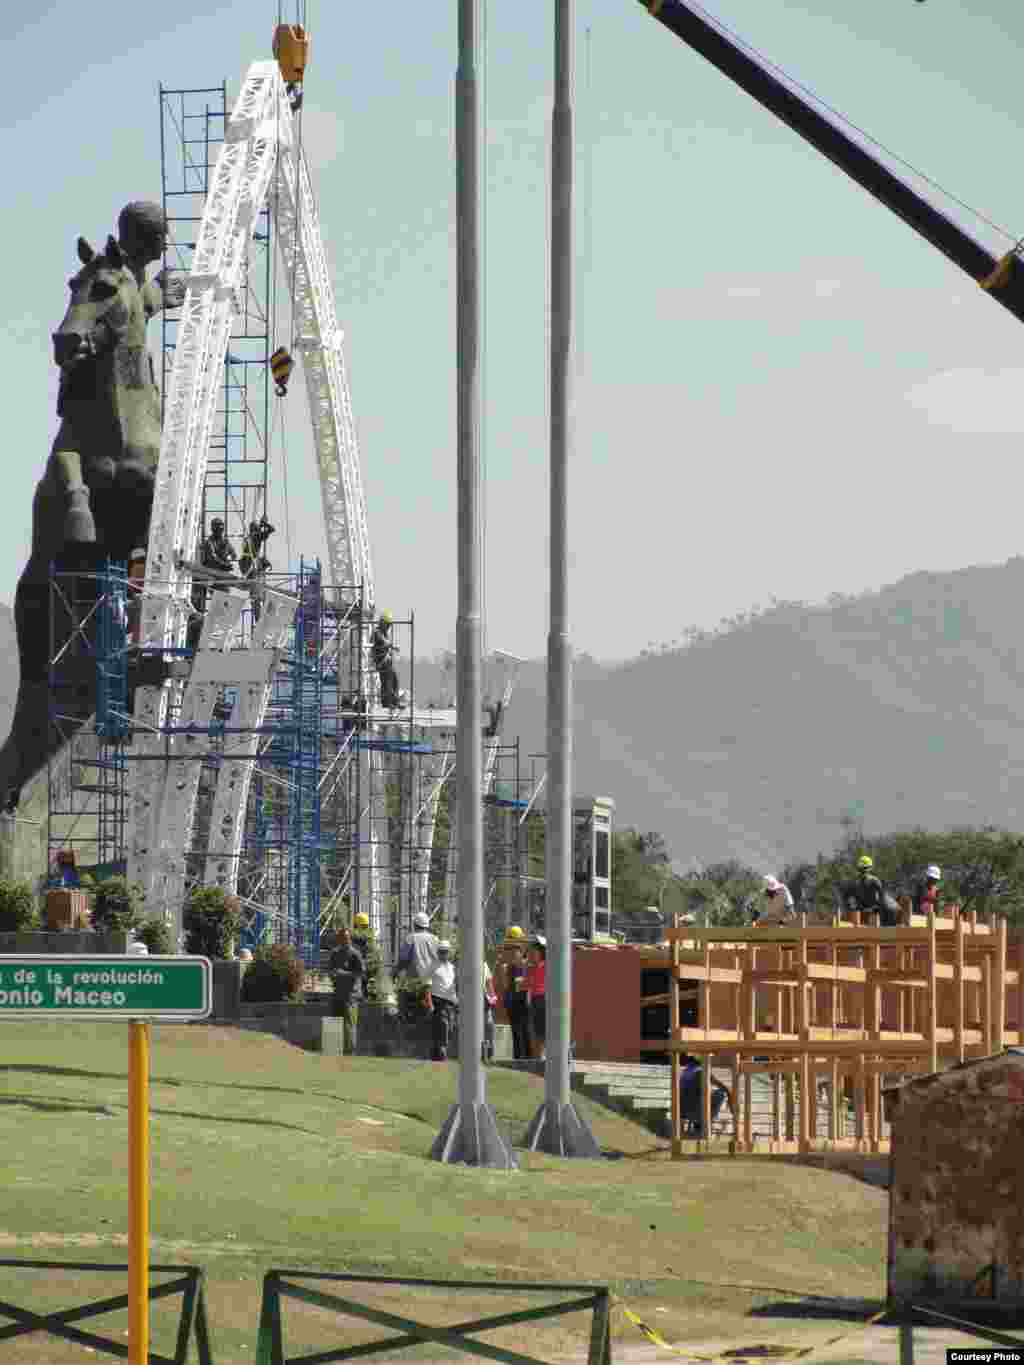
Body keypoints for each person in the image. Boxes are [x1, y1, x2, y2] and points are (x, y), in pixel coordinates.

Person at [496, 926, 531, 1060]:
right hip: (513, 997)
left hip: (521, 996)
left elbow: (524, 967)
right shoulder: (510, 961)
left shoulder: (524, 958)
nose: (512, 949)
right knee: (518, 1029)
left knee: (523, 1028)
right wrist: (501, 965)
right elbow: (505, 983)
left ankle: (525, 1058)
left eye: (515, 946)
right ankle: (520, 1058)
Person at [329, 927, 364, 1055]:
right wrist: (333, 975)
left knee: (349, 1025)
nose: (343, 940)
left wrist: (343, 974)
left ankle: (350, 1053)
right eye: (341, 938)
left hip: (351, 995)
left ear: (349, 939)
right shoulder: (334, 953)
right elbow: (331, 970)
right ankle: (334, 1051)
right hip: (338, 994)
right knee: (335, 1023)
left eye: (345, 938)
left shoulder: (355, 954)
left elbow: (360, 973)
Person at [678, 1055, 729, 1138]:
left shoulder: (685, 1071)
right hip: (696, 1111)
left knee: (702, 1094)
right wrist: (730, 1098)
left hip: (683, 1112)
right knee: (720, 1094)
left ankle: (698, 1123)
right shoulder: (701, 1071)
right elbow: (723, 1087)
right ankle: (706, 1122)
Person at [842, 854, 899, 927]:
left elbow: (882, 898)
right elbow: (847, 898)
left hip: (888, 911)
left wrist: (875, 908)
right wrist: (852, 908)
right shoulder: (855, 884)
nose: (863, 871)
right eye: (862, 869)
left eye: (864, 869)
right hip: (878, 911)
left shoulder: (874, 881)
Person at [428, 939, 458, 1061]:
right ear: (438, 952)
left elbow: (455, 984)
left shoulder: (452, 967)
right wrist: (429, 1003)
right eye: (441, 951)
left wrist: (457, 999)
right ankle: (441, 1051)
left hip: (451, 1002)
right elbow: (427, 986)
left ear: (449, 952)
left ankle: (438, 1052)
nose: (443, 954)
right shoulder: (433, 966)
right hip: (438, 1000)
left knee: (449, 1027)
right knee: (443, 1026)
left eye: (445, 951)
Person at [396, 910, 440, 982]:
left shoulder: (410, 938)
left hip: (415, 978)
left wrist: (396, 971)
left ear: (415, 925)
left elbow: (404, 958)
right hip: (432, 977)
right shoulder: (435, 939)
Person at [371, 610, 401, 709]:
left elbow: (386, 643)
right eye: (387, 624)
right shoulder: (377, 632)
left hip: (386, 661)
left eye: (389, 625)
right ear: (382, 623)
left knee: (394, 680)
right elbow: (384, 642)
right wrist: (392, 646)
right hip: (381, 662)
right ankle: (387, 703)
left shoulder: (384, 633)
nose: (388, 627)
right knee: (387, 682)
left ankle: (395, 701)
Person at [526, 936, 547, 1061]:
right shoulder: (531, 967)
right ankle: (539, 1057)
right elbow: (528, 984)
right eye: (531, 951)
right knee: (536, 1031)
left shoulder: (546, 965)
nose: (531, 954)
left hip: (543, 999)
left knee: (542, 1031)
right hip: (534, 999)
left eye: (534, 951)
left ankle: (542, 1056)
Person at [482, 958, 497, 1064]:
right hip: (470, 1001)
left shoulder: (484, 964)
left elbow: (489, 981)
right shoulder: (464, 963)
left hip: (484, 1000)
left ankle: (489, 1055)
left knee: (488, 1026)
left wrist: (492, 996)